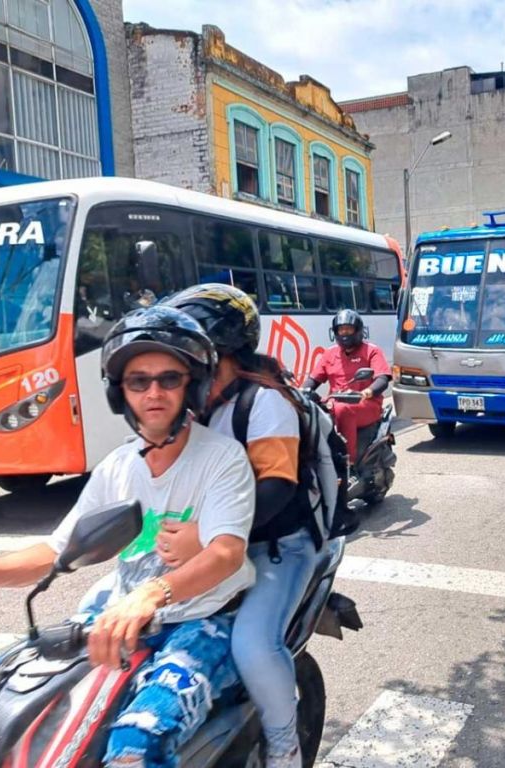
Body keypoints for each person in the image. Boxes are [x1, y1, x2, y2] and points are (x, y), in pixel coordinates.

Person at [0, 305, 256, 768]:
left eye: (169, 378)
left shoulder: (222, 458)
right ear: (119, 391)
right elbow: (56, 549)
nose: (154, 392)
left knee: (136, 741)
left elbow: (228, 553)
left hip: (203, 619)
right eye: (137, 381)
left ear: (193, 385)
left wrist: (152, 592)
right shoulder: (117, 467)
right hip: (120, 619)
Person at [155, 283, 314, 768]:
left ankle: (284, 742)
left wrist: (205, 534)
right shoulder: (192, 407)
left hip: (276, 547)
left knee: (251, 643)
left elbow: (277, 487)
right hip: (207, 547)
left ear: (217, 347)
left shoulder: (262, 402)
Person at [304, 309, 391, 462]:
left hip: (366, 404)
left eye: (348, 329)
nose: (344, 333)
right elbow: (314, 379)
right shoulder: (330, 353)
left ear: (358, 331)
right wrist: (300, 392)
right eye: (340, 329)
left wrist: (366, 392)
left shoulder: (371, 351)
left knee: (342, 409)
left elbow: (382, 379)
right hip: (334, 402)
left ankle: (348, 464)